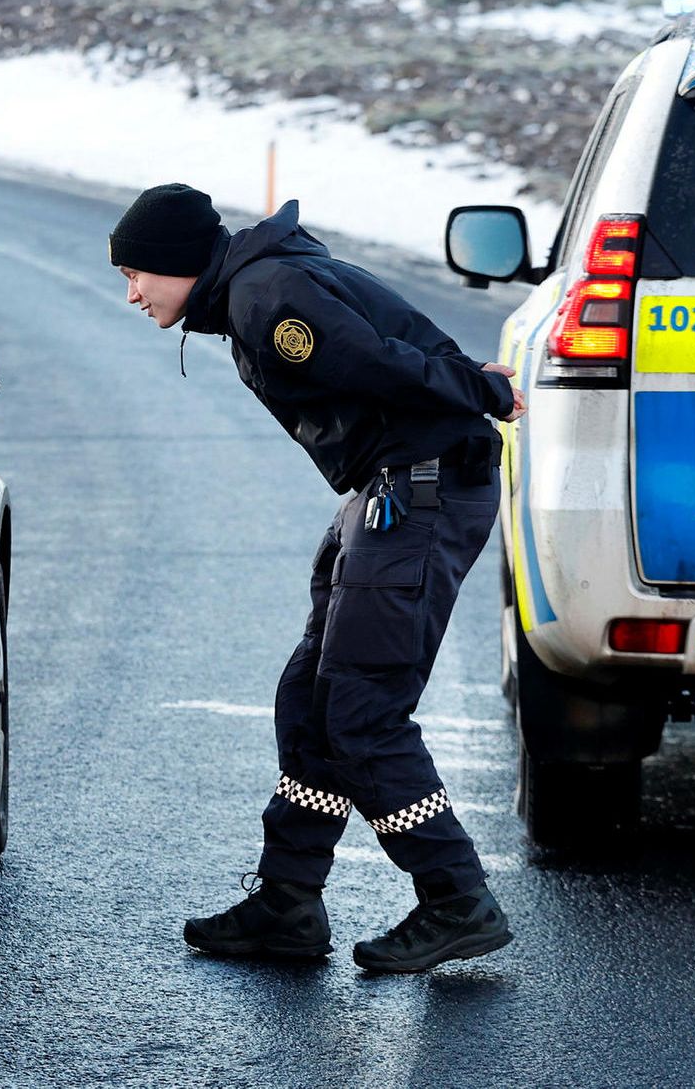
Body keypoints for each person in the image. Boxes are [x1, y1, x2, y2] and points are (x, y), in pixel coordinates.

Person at [110, 183, 525, 973]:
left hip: (419, 487)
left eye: (137, 273)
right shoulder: (258, 287)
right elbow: (382, 338)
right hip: (391, 486)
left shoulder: (266, 296)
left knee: (362, 708)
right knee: (311, 695)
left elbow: (374, 361)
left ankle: (455, 898)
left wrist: (481, 387)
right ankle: (289, 899)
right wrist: (468, 376)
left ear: (176, 262)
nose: (132, 292)